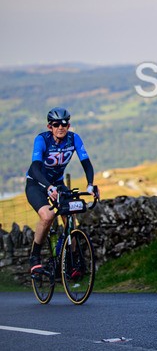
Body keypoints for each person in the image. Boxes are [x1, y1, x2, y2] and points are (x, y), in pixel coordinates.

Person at [26, 107, 99, 273]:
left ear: (69, 125)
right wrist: (48, 186)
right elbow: (35, 168)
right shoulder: (42, 140)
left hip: (57, 183)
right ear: (49, 126)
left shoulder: (74, 139)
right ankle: (34, 256)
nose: (61, 127)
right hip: (37, 183)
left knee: (70, 215)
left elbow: (86, 163)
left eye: (64, 124)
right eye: (56, 124)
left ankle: (69, 261)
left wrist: (90, 184)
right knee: (48, 215)